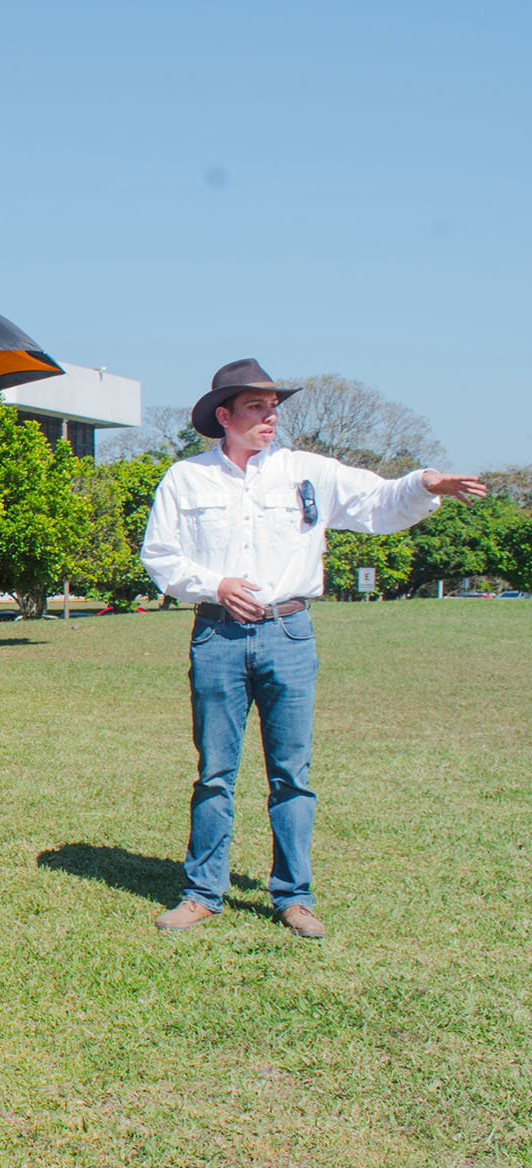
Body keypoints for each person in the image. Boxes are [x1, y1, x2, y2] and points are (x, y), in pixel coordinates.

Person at [141, 358, 486, 938]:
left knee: (292, 774)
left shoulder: (307, 472)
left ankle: (293, 897)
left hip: (290, 635)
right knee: (215, 773)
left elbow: (377, 502)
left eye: (273, 406)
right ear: (223, 415)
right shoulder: (186, 478)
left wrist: (426, 483)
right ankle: (202, 893)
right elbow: (161, 556)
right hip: (217, 635)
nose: (269, 416)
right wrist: (215, 584)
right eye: (255, 406)